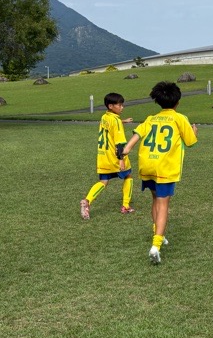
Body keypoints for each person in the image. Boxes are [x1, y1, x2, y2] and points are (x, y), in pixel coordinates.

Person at [120, 82, 198, 264]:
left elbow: (135, 138)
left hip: (147, 165)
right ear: (177, 102)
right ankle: (155, 246)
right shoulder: (180, 118)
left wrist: (124, 154)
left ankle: (159, 234)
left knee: (155, 199)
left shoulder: (151, 119)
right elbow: (191, 142)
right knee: (163, 204)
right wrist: (194, 132)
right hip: (164, 167)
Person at [80, 92, 135, 220]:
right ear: (111, 106)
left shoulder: (105, 116)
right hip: (115, 156)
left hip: (103, 156)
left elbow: (111, 125)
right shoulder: (115, 121)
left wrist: (123, 121)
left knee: (103, 182)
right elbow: (120, 143)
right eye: (119, 105)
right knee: (128, 176)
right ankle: (125, 206)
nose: (122, 107)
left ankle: (87, 201)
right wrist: (121, 159)